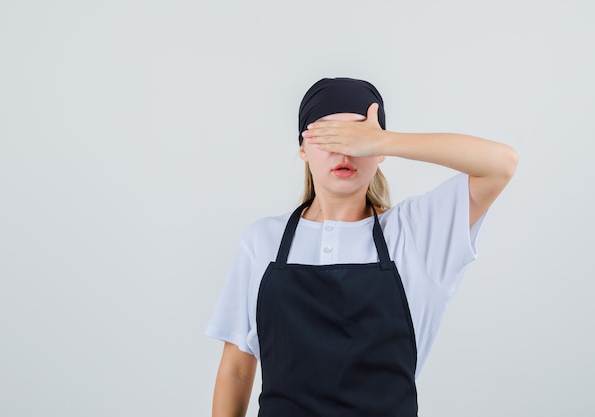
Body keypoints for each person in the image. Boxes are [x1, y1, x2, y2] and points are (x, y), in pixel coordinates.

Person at [205, 77, 519, 417]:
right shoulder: (262, 241)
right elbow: (236, 369)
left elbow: (501, 164)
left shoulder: (415, 233)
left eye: (359, 136)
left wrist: (384, 139)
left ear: (379, 150)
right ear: (302, 148)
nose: (345, 150)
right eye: (328, 135)